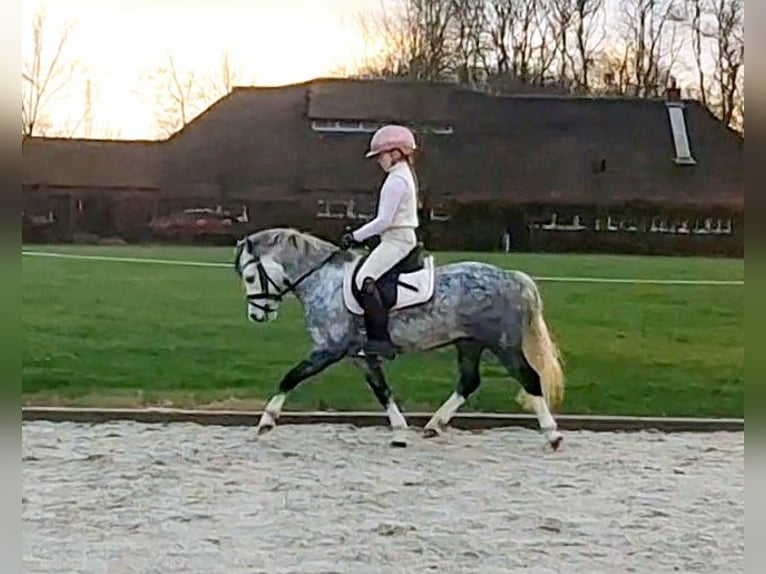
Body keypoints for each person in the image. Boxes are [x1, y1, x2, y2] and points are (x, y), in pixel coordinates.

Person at [340, 124, 421, 359]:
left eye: (381, 156)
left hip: (397, 240)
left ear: (396, 153)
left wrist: (354, 237)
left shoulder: (397, 180)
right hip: (396, 237)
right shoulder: (402, 175)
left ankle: (380, 342)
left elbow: (384, 220)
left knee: (365, 279)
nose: (379, 161)